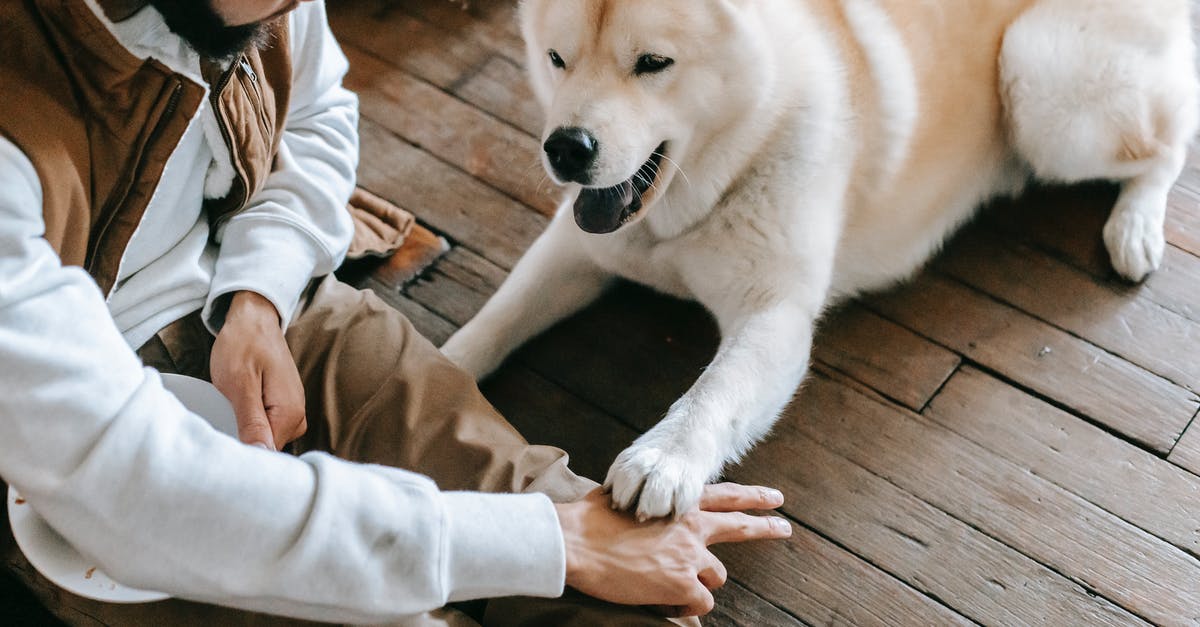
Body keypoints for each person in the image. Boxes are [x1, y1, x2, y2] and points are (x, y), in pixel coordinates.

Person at [0, 0, 792, 625]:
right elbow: (137, 491)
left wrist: (258, 294)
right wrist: (552, 543)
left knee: (589, 549)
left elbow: (314, 114)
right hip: (42, 465)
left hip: (267, 312)